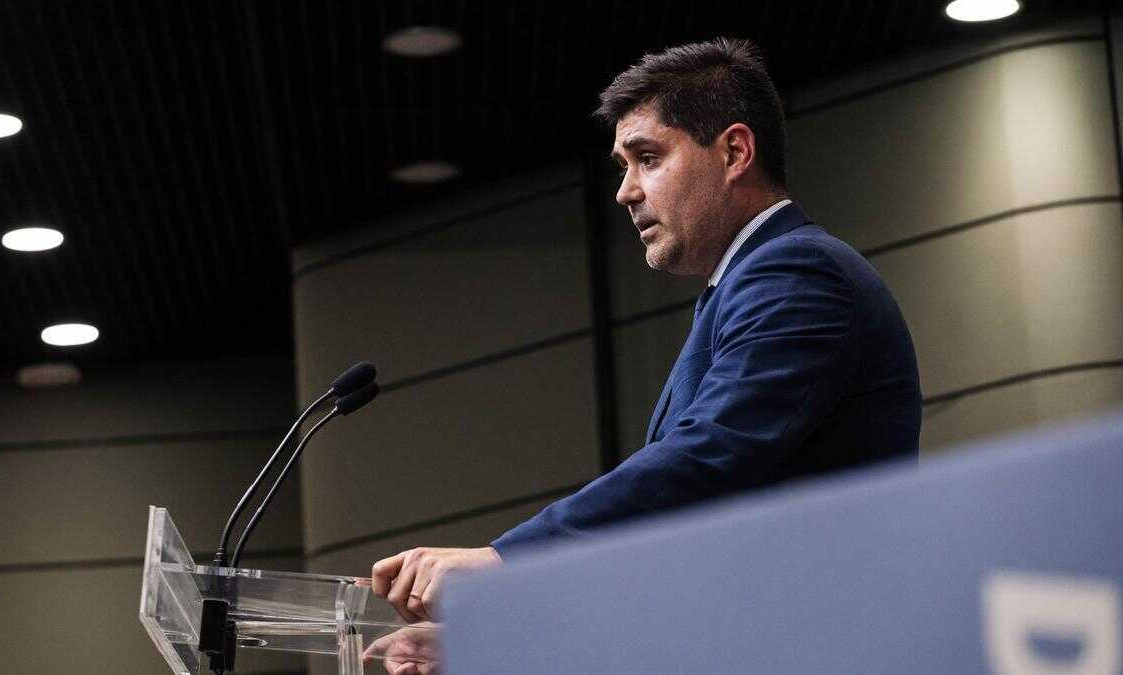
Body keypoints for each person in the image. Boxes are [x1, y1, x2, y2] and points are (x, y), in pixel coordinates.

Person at [370, 36, 922, 632]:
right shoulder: (747, 284)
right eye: (624, 165)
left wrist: (506, 561)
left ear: (735, 152)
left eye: (648, 158)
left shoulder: (797, 273)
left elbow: (707, 460)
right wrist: (490, 640)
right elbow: (679, 537)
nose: (625, 190)